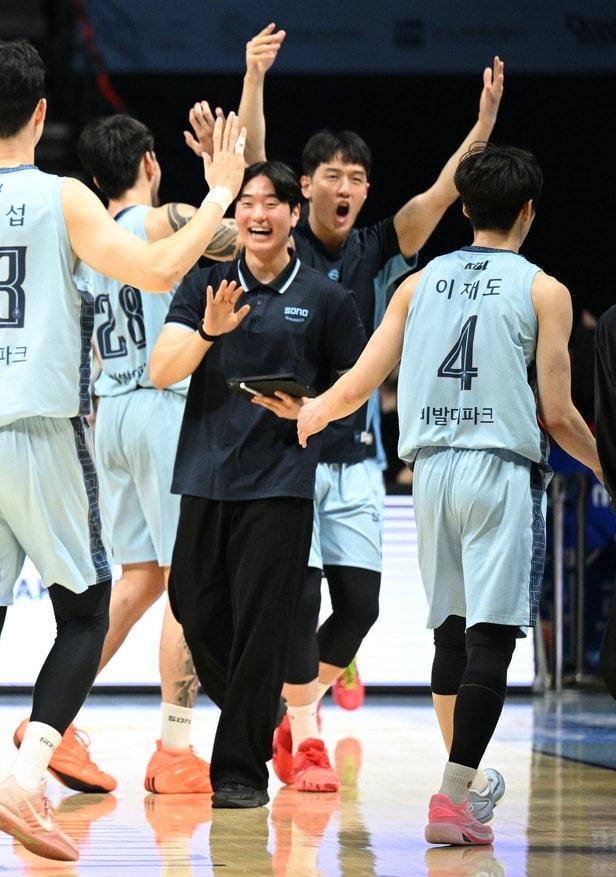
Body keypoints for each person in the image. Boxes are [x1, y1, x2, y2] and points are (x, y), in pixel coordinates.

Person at [0, 41, 246, 866]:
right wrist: (217, 195)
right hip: (39, 432)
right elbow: (159, 264)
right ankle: (26, 778)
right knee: (84, 612)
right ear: (39, 113)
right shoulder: (64, 198)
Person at [205, 25, 508, 780]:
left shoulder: (378, 248)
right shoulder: (277, 239)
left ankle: (287, 703)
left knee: (362, 609)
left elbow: (444, 194)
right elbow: (252, 166)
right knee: (299, 603)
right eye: (331, 174)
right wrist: (254, 79)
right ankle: (305, 735)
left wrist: (482, 129)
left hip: (358, 461)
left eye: (357, 177)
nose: (345, 187)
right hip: (286, 452)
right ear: (303, 186)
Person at [298, 143, 600, 845]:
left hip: (430, 470)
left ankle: (459, 785)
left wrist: (312, 413)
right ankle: (453, 796)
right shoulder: (544, 289)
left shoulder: (417, 282)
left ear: (464, 208)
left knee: (451, 633)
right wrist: (605, 463)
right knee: (493, 634)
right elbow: (557, 412)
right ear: (528, 210)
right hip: (498, 469)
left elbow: (360, 380)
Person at [13, 112, 242, 797]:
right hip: (161, 405)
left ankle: (51, 722)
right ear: (148, 162)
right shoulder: (146, 224)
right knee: (188, 578)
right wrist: (219, 190)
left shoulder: (87, 245)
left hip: (109, 415)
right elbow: (237, 238)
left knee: (138, 578)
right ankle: (175, 746)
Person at [148, 160, 364, 810]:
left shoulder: (327, 298)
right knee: (193, 604)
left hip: (280, 482)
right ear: (233, 215)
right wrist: (210, 332)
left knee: (264, 623)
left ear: (295, 215)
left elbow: (356, 387)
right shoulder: (207, 281)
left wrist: (313, 411)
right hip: (206, 473)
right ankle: (260, 701)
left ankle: (240, 772)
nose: (259, 214)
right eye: (246, 203)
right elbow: (161, 369)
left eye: (273, 203)